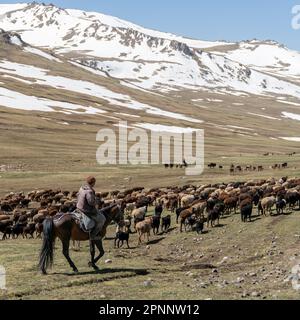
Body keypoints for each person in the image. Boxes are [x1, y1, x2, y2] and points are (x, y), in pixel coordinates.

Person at [76, 176, 106, 241]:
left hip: (79, 207)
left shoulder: (82, 188)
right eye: (94, 182)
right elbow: (91, 203)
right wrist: (97, 201)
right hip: (86, 210)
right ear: (93, 183)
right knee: (102, 220)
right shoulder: (89, 191)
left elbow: (77, 195)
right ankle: (93, 236)